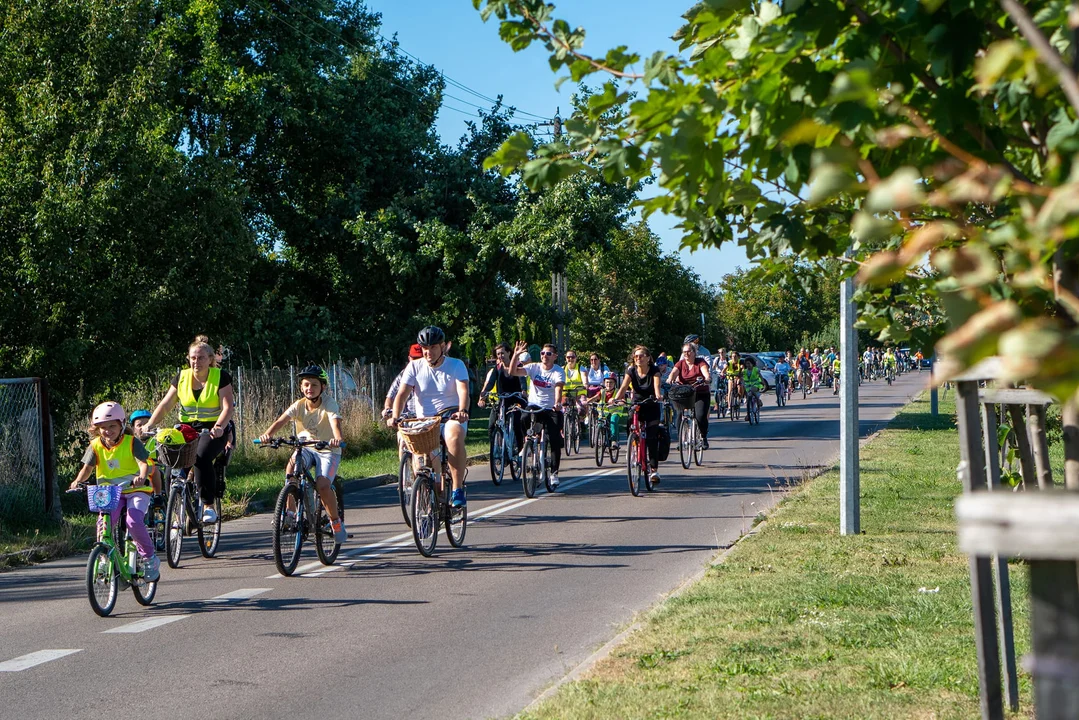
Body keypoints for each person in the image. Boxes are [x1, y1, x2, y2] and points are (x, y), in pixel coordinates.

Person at [144, 335, 235, 524]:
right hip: (186, 428)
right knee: (170, 464)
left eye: (201, 358)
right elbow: (166, 404)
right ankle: (176, 510)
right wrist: (149, 425)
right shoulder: (182, 377)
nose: (196, 362)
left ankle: (208, 505)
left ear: (210, 360)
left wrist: (219, 427)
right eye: (193, 358)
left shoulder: (220, 377)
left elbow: (228, 407)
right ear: (188, 359)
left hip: (213, 428)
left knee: (201, 457)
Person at [70, 402, 160, 581]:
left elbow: (143, 463)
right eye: (102, 427)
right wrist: (77, 481)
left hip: (136, 489)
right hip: (110, 492)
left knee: (133, 520)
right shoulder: (95, 445)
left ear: (122, 425)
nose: (107, 430)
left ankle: (150, 558)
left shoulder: (131, 441)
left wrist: (142, 476)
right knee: (104, 525)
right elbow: (87, 468)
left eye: (112, 426)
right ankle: (103, 557)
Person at [258, 365, 347, 543]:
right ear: (301, 387)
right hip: (306, 447)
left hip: (327, 449)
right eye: (306, 384)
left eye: (314, 385)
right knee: (291, 470)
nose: (309, 388)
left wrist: (337, 438)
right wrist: (268, 435)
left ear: (322, 387)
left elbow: (335, 422)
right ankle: (290, 514)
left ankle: (335, 522)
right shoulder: (299, 405)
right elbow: (281, 420)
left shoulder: (329, 403)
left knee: (322, 485)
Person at [388, 326, 471, 508]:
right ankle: (425, 492)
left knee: (453, 435)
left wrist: (463, 410)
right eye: (425, 348)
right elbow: (401, 394)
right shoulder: (415, 366)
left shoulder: (456, 365)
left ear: (442, 347)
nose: (428, 352)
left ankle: (457, 488)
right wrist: (395, 416)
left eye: (433, 347)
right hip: (424, 421)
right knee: (420, 460)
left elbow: (463, 390)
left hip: (450, 416)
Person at [507, 340, 566, 488]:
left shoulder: (558, 371)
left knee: (554, 441)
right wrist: (516, 355)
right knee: (524, 416)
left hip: (551, 408)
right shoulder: (534, 367)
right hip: (535, 405)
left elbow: (558, 388)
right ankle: (527, 442)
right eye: (542, 353)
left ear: (555, 356)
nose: (544, 356)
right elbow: (512, 372)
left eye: (548, 354)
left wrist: (558, 403)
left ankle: (553, 473)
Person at [612, 345, 663, 484]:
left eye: (641, 356)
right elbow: (623, 387)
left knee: (652, 437)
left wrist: (658, 396)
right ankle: (634, 443)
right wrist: (616, 399)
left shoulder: (654, 370)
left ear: (648, 358)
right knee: (631, 421)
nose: (638, 358)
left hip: (651, 403)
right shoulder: (631, 370)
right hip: (637, 403)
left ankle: (654, 470)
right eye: (636, 356)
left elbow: (657, 387)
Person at [478, 342, 526, 452]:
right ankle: (496, 451)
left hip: (516, 398)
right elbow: (490, 382)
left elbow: (522, 379)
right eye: (498, 354)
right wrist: (484, 393)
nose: (500, 356)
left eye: (502, 353)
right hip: (503, 399)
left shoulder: (517, 366)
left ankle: (520, 450)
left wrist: (523, 390)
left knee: (517, 424)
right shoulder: (498, 368)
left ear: (509, 352)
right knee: (492, 425)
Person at [668, 342, 712, 449]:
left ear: (694, 352)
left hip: (700, 393)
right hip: (685, 394)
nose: (686, 354)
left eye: (689, 351)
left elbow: (705, 372)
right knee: (678, 414)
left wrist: (707, 379)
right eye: (684, 352)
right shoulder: (681, 363)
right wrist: (670, 379)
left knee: (700, 416)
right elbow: (674, 372)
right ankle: (680, 439)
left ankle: (703, 437)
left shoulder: (700, 362)